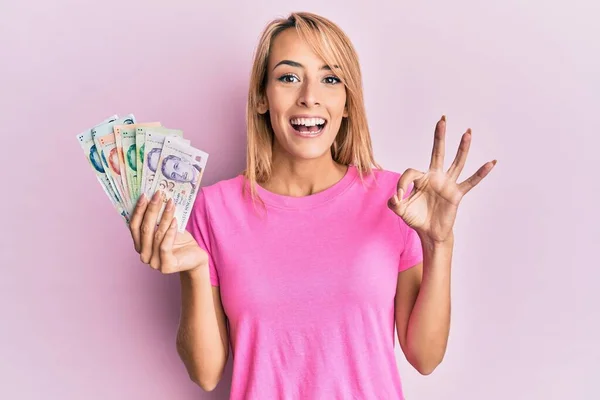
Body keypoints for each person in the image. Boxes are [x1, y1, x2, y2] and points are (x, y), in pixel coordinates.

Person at [127, 11, 496, 400]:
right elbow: (206, 373)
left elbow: (425, 356)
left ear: (348, 103)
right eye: (288, 77)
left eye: (330, 79)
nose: (309, 96)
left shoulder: (397, 200)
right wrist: (196, 271)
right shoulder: (214, 209)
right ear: (261, 98)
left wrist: (439, 244)